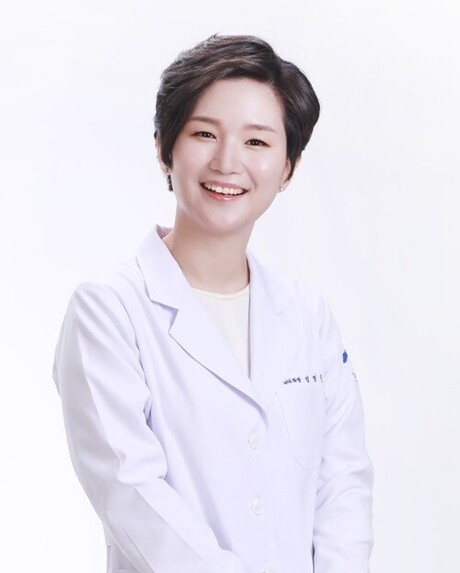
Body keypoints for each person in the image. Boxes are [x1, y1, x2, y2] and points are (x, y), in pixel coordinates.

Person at [52, 34, 374, 573]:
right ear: (164, 148)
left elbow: (343, 484)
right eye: (204, 133)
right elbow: (133, 497)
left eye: (257, 142)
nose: (227, 162)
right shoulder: (108, 312)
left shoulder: (308, 317)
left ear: (288, 167)